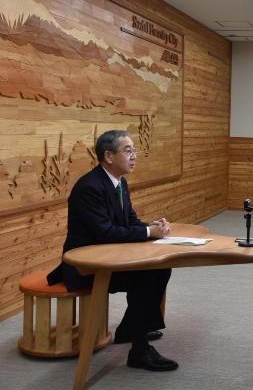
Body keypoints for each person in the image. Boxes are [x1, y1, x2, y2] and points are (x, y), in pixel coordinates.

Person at [47, 130, 178, 371]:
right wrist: (149, 234)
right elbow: (105, 232)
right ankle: (139, 350)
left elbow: (128, 221)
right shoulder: (90, 187)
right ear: (108, 155)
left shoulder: (119, 182)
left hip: (110, 258)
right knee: (147, 275)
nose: (134, 156)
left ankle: (131, 329)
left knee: (160, 267)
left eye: (134, 150)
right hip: (85, 265)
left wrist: (152, 227)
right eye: (128, 150)